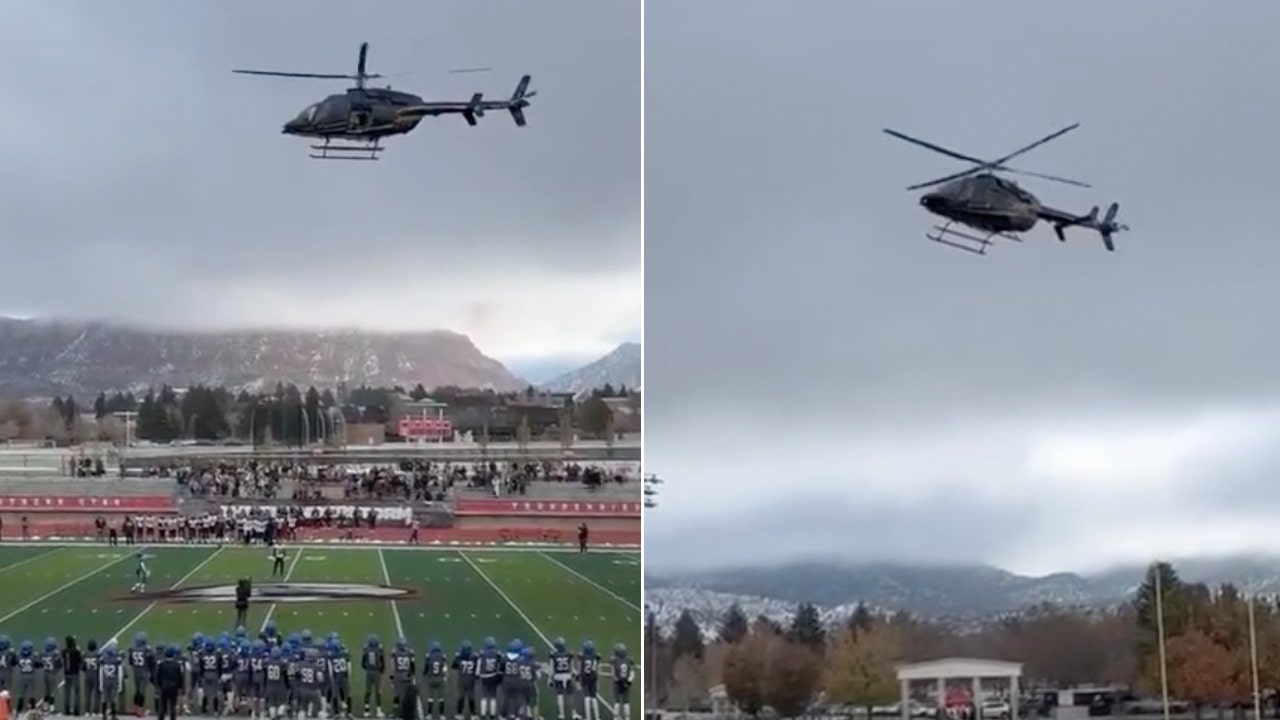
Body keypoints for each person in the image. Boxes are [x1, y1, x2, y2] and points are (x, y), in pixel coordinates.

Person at [155, 646, 183, 720]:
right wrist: (180, 687)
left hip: (164, 686)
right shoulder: (176, 665)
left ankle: (161, 718)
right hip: (173, 687)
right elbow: (179, 677)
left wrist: (159, 686)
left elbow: (158, 676)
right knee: (172, 705)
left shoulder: (162, 664)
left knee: (163, 705)